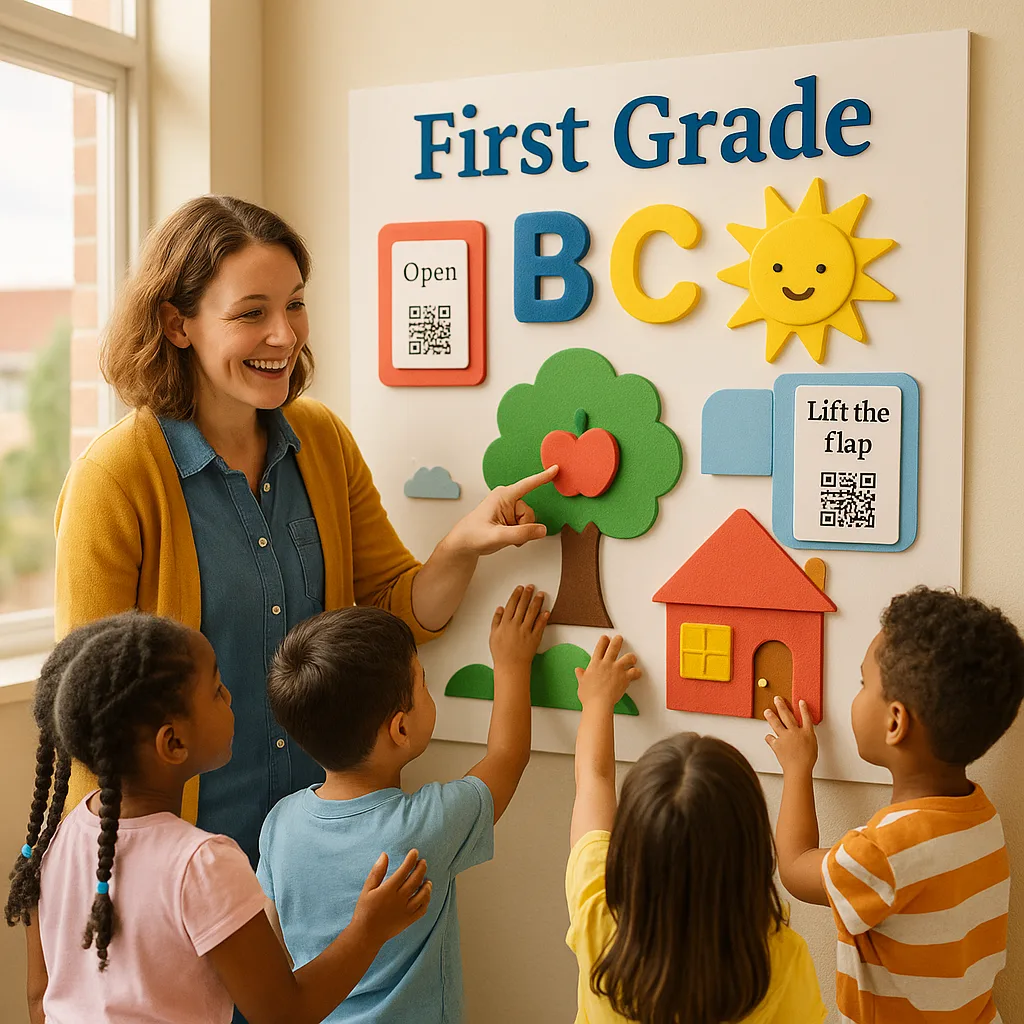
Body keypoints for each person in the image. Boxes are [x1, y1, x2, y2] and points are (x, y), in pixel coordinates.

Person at [54, 194, 555, 866]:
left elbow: (390, 614)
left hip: (321, 853)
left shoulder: (320, 441)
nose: (285, 335)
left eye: (294, 303)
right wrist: (83, 902)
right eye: (251, 313)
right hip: (180, 868)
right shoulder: (115, 476)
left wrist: (460, 544)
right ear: (178, 324)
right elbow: (92, 716)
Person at [5, 612, 432, 1024]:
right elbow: (285, 1012)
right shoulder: (202, 865)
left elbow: (39, 996)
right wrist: (369, 929)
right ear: (173, 742)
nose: (229, 697)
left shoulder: (56, 838)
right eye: (215, 689)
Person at [256, 584, 548, 1023]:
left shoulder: (279, 824)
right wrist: (512, 662)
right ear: (400, 729)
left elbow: (273, 952)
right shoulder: (426, 827)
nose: (427, 688)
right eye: (423, 682)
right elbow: (507, 758)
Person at [765, 586, 1024, 1023]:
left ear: (895, 722)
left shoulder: (881, 854)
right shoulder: (981, 817)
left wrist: (797, 767)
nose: (858, 692)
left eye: (864, 683)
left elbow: (794, 867)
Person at [568, 635, 826, 1024]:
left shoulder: (599, 916)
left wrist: (597, 703)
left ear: (629, 846)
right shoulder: (777, 958)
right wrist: (798, 770)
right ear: (752, 851)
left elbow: (594, 780)